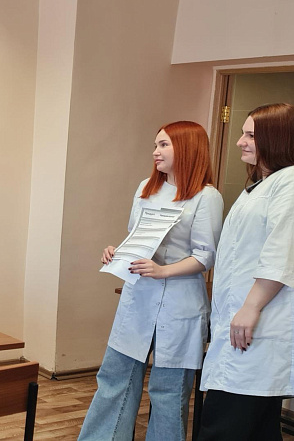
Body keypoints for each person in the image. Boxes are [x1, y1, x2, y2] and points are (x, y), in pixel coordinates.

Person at [79, 121, 223, 440]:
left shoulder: (207, 197)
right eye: (156, 145)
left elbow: (205, 256)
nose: (155, 152)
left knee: (168, 393)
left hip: (179, 303)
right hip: (139, 298)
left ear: (186, 148)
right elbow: (136, 238)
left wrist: (162, 271)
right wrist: (117, 251)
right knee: (114, 379)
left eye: (163, 145)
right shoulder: (146, 187)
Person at [198, 103, 294, 441]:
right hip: (241, 324)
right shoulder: (260, 185)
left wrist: (250, 307)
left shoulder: (289, 183)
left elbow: (280, 254)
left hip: (257, 325)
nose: (240, 142)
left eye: (250, 135)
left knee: (225, 425)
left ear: (276, 138)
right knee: (256, 428)